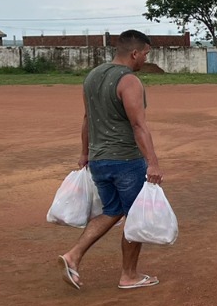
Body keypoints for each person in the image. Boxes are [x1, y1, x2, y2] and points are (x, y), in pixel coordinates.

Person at [58, 30, 164, 291]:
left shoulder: (92, 76)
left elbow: (86, 119)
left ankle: (73, 256)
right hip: (126, 159)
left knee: (112, 210)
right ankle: (129, 275)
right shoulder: (129, 81)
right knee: (134, 216)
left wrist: (85, 153)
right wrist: (153, 162)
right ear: (135, 53)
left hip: (98, 159)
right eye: (146, 54)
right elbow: (138, 125)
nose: (145, 60)